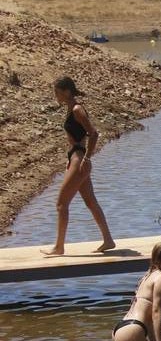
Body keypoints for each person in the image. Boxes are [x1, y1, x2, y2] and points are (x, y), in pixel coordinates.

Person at [41, 78, 116, 257]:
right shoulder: (71, 108)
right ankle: (108, 240)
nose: (55, 95)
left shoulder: (77, 109)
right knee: (90, 202)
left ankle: (59, 247)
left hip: (80, 161)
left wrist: (87, 157)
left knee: (61, 204)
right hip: (76, 158)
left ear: (67, 91)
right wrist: (72, 157)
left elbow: (94, 134)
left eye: (57, 91)